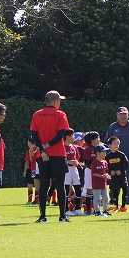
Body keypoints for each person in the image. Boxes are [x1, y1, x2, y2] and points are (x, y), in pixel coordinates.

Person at [29, 90, 73, 223]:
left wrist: (42, 149)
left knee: (43, 185)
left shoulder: (37, 114)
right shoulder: (61, 114)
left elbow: (34, 135)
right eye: (59, 100)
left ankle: (42, 216)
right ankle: (62, 216)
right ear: (55, 101)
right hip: (58, 154)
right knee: (60, 185)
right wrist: (48, 145)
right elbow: (61, 134)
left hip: (42, 155)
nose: (60, 103)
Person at [104, 107, 129, 201]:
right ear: (117, 115)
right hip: (115, 159)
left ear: (128, 115)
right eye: (121, 114)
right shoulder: (112, 127)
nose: (123, 116)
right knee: (114, 179)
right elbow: (107, 142)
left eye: (125, 114)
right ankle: (113, 200)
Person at [105, 136, 129, 212]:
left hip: (122, 176)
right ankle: (116, 206)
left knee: (125, 190)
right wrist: (110, 171)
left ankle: (123, 206)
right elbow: (105, 166)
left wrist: (121, 170)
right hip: (113, 178)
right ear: (109, 145)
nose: (117, 145)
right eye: (115, 143)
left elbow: (126, 164)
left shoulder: (121, 155)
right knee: (115, 191)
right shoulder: (107, 156)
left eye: (118, 143)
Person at [89, 145, 111, 216]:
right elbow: (93, 173)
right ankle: (97, 211)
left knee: (106, 198)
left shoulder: (105, 162)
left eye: (105, 152)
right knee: (97, 198)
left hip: (104, 183)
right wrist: (101, 176)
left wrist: (107, 175)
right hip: (96, 184)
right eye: (103, 152)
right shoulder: (94, 162)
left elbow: (106, 171)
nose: (105, 153)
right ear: (98, 153)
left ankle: (105, 210)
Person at [63, 132, 82, 214]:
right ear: (67, 136)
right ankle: (66, 210)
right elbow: (60, 160)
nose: (73, 137)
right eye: (72, 135)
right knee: (66, 189)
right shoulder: (62, 147)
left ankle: (78, 209)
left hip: (74, 169)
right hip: (66, 170)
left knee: (78, 187)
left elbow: (77, 158)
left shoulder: (73, 147)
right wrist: (69, 162)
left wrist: (76, 162)